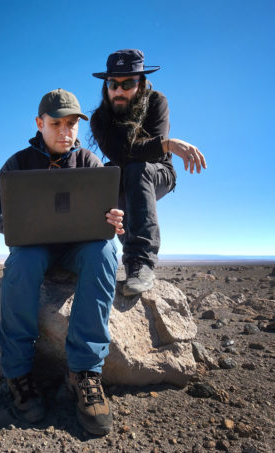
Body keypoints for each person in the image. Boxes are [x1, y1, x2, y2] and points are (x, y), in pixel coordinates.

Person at [0, 88, 124, 436]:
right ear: (39, 123)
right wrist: (12, 226)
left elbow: (110, 212)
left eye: (72, 123)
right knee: (23, 261)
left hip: (79, 248)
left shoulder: (90, 162)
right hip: (35, 246)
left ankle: (84, 373)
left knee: (107, 250)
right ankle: (18, 373)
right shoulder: (18, 163)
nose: (65, 131)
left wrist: (116, 219)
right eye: (56, 123)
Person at [90, 49, 207, 296]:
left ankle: (141, 264)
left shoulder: (156, 102)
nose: (118, 91)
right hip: (123, 172)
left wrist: (162, 147)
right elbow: (120, 153)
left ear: (141, 84)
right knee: (105, 177)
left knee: (137, 169)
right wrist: (168, 144)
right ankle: (88, 258)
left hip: (159, 171)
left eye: (127, 83)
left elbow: (149, 155)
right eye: (112, 84)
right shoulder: (100, 119)